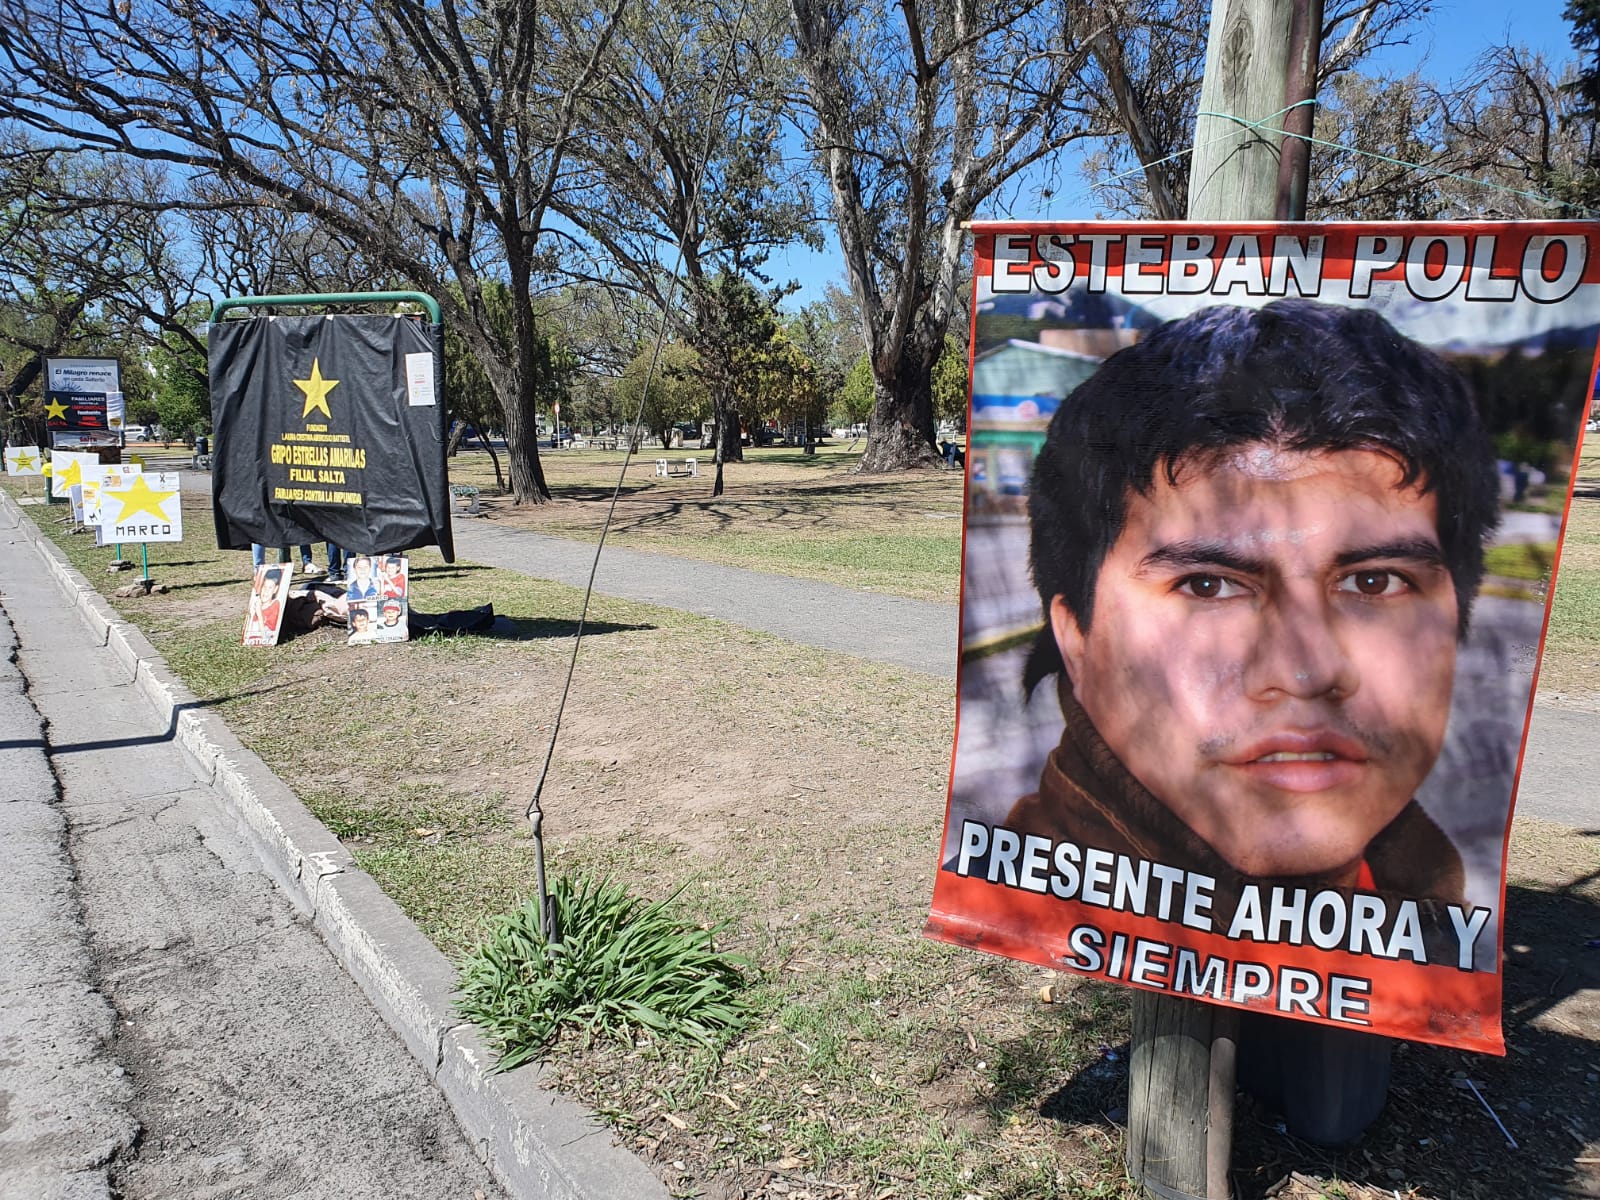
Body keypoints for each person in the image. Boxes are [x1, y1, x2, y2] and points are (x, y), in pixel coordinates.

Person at [1004, 299, 1500, 918]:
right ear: (1076, 639)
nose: (1305, 671)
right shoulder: (1039, 886)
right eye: (1208, 586)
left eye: (1374, 583)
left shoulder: (1423, 898)